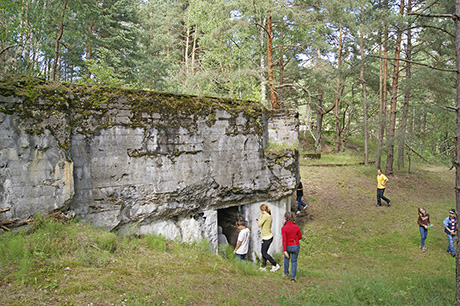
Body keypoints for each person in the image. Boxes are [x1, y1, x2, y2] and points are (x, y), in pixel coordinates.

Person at [257, 204, 280, 272]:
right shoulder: (269, 216)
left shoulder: (266, 216)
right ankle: (263, 266)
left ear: (262, 210)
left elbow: (259, 225)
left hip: (267, 237)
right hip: (266, 237)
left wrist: (260, 217)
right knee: (263, 252)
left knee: (264, 253)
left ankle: (275, 264)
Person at [282, 211, 302, 282]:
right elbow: (300, 236)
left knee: (286, 259)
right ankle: (292, 277)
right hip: (295, 245)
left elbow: (284, 240)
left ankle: (286, 272)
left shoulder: (284, 228)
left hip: (288, 246)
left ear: (285, 218)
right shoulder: (296, 227)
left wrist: (284, 250)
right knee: (294, 261)